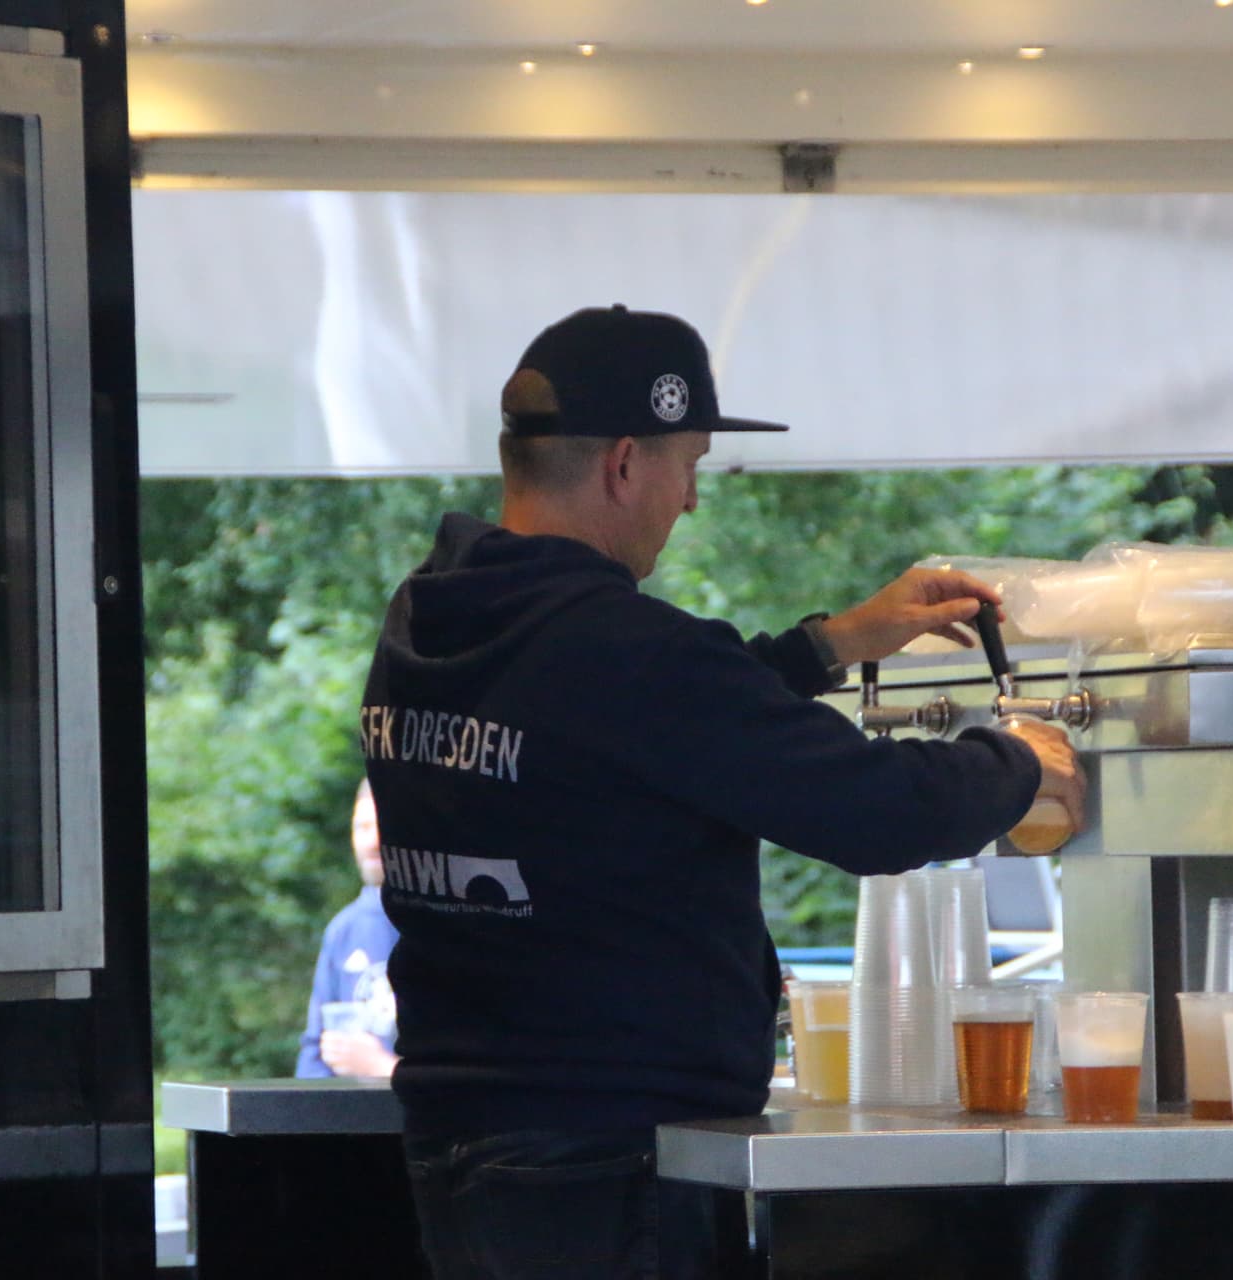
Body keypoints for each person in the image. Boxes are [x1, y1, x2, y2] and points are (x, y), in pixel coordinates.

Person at [363, 304, 1084, 1278]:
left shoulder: (432, 619)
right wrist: (1021, 760)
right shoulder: (621, 649)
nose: (693, 499)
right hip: (607, 1154)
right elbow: (878, 811)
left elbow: (638, 726)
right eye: (691, 465)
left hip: (463, 1133)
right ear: (626, 463)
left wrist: (831, 644)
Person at [294, 779, 399, 1079]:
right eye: (362, 828)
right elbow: (315, 1054)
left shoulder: (451, 926)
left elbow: (473, 1073)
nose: (371, 841)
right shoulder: (344, 930)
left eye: (382, 825)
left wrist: (381, 1068)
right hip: (351, 1108)